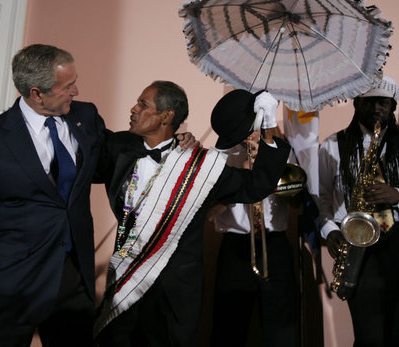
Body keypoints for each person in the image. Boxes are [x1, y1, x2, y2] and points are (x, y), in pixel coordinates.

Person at [94, 84, 291, 346]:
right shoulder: (117, 147)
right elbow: (83, 147)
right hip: (126, 283)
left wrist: (267, 123)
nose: (134, 109)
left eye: (143, 104)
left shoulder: (201, 166)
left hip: (177, 292)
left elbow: (257, 185)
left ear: (166, 116)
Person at [0, 44, 107, 347]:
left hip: (73, 278)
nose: (76, 91)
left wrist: (173, 142)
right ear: (36, 92)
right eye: (67, 86)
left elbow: (111, 158)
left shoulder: (86, 116)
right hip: (12, 284)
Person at [319, 76, 399, 346]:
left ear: (393, 106)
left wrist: (396, 195)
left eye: (384, 103)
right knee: (369, 336)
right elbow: (322, 197)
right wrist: (329, 230)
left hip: (397, 242)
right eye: (370, 102)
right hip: (357, 246)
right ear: (356, 103)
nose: (377, 109)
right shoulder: (332, 145)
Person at [208, 130, 301, 347]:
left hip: (274, 244)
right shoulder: (221, 154)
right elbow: (209, 211)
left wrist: (271, 171)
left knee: (282, 328)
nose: (253, 132)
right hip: (236, 247)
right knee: (229, 327)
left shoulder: (282, 152)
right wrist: (241, 181)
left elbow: (298, 202)